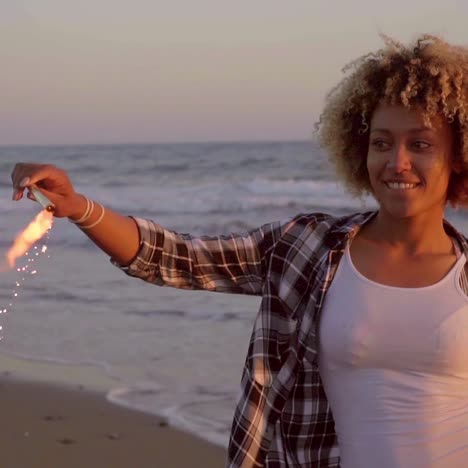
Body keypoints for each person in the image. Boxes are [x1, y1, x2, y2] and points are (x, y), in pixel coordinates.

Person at [10, 34, 468, 467]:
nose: (397, 162)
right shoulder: (307, 249)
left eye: (421, 144)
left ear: (458, 155)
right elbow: (177, 258)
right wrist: (79, 207)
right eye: (381, 143)